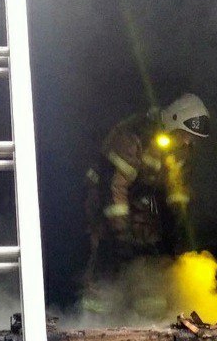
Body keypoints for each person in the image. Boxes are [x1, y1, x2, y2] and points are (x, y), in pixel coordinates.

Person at [82, 93, 209, 315]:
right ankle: (92, 324)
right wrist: (121, 235)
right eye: (185, 135)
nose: (188, 142)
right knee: (107, 263)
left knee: (151, 271)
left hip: (144, 210)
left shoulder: (181, 149)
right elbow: (114, 188)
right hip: (106, 205)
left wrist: (178, 227)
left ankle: (149, 330)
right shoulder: (134, 136)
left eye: (192, 138)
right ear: (173, 121)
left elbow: (177, 191)